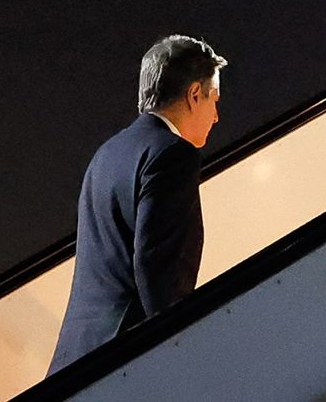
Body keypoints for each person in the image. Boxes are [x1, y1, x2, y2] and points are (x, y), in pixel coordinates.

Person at [47, 35, 227, 374]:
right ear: (193, 95)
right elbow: (160, 273)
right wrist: (181, 353)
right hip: (124, 360)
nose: (216, 116)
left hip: (76, 358)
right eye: (214, 99)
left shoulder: (106, 155)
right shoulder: (173, 155)